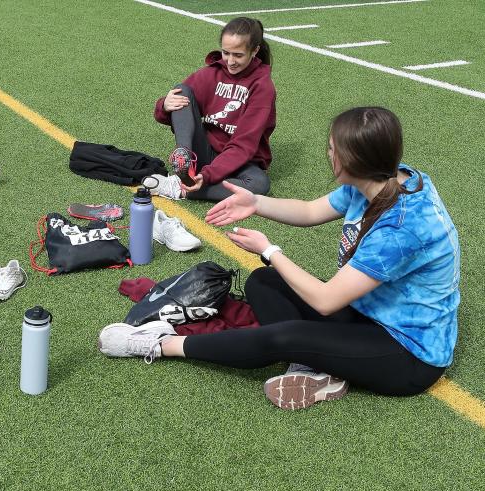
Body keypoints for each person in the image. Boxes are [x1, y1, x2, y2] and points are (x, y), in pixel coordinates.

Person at [99, 107, 460, 410]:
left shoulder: (401, 230)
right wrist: (255, 203)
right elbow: (308, 211)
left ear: (353, 160)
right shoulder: (388, 176)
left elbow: (325, 299)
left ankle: (159, 344)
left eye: (333, 148)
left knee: (282, 335)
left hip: (407, 353)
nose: (329, 153)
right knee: (264, 281)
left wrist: (270, 250)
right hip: (369, 314)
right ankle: (318, 368)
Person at [147, 17, 275, 202]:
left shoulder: (262, 86)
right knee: (182, 90)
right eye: (226, 53)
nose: (230, 61)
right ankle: (184, 159)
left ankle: (179, 187)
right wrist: (164, 106)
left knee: (260, 184)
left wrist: (208, 175)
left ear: (254, 50)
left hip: (240, 160)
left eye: (238, 55)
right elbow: (177, 113)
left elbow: (243, 145)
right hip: (205, 151)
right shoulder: (211, 74)